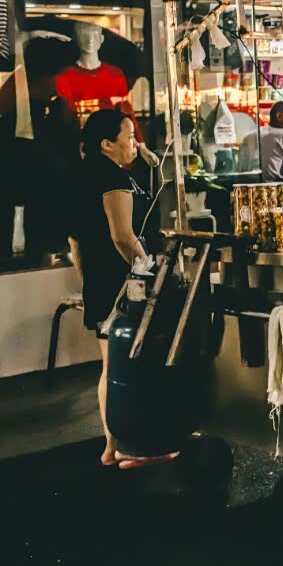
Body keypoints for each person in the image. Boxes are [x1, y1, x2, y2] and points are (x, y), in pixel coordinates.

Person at [69, 109, 148, 467]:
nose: (135, 142)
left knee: (110, 366)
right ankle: (135, 446)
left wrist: (87, 279)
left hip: (98, 282)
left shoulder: (81, 174)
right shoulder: (111, 177)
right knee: (132, 365)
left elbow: (75, 243)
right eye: (129, 136)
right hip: (123, 282)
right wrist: (147, 268)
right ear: (107, 144)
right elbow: (123, 236)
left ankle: (112, 445)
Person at [237, 101, 283, 180]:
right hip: (275, 188)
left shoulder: (249, 136)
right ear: (280, 116)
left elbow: (240, 170)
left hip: (248, 187)